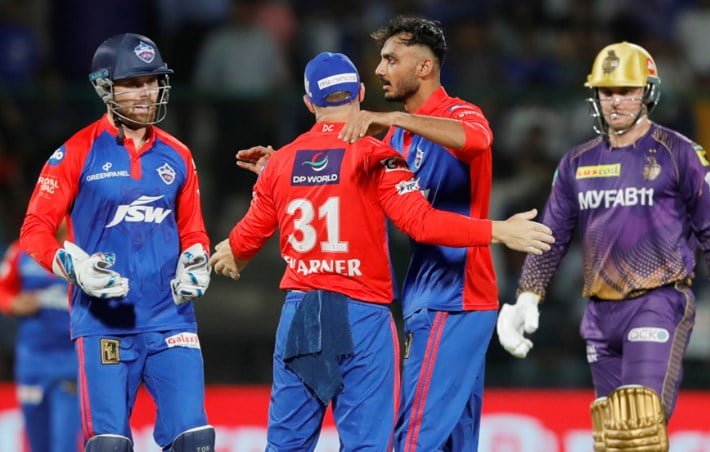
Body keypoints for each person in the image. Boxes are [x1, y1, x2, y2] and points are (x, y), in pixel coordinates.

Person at [210, 51, 554, 451]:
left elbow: (243, 245)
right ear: (359, 93)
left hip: (303, 314)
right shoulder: (379, 156)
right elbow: (422, 223)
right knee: (368, 446)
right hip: (362, 316)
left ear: (308, 103)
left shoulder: (281, 163)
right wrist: (498, 230)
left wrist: (230, 249)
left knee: (286, 446)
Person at [496, 41, 710, 451]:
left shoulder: (680, 153)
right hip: (599, 316)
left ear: (648, 93)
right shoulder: (576, 163)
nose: (616, 101)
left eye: (626, 90)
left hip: (658, 303)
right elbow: (550, 236)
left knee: (638, 425)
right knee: (614, 440)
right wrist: (526, 298)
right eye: (607, 91)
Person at [19, 33, 214, 452]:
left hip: (171, 319)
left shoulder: (178, 155)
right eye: (133, 83)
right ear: (104, 87)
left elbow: (194, 231)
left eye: (153, 81)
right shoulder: (75, 152)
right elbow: (34, 229)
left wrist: (196, 258)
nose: (147, 92)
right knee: (109, 445)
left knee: (195, 440)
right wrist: (73, 267)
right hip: (103, 324)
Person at [337, 16, 500, 451]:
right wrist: (280, 167)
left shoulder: (459, 113)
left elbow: (477, 141)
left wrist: (397, 119)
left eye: (391, 59)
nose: (379, 69)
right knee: (454, 443)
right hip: (432, 299)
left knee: (412, 439)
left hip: (453, 296)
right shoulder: (396, 139)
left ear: (424, 67)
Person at [0, 223, 80, 452]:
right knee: (38, 445)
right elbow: (3, 290)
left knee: (64, 446)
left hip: (71, 361)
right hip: (33, 361)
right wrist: (14, 304)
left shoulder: (84, 249)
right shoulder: (21, 250)